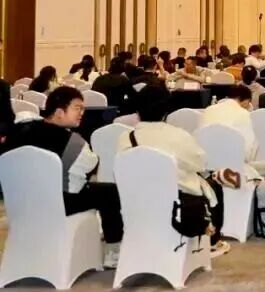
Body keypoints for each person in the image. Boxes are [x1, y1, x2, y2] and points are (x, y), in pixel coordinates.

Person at [0, 87, 124, 267]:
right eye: (77, 108)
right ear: (59, 112)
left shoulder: (19, 130)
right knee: (109, 192)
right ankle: (113, 251)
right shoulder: (73, 142)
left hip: (18, 203)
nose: (82, 113)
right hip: (56, 204)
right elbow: (85, 172)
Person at [116, 85, 235, 257]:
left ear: (138, 111)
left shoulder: (125, 138)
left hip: (137, 203)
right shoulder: (179, 136)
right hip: (177, 205)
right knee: (213, 185)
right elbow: (201, 164)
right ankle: (212, 241)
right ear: (167, 110)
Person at [199, 84, 265, 180]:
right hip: (233, 171)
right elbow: (248, 153)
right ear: (247, 101)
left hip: (205, 169)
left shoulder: (208, 110)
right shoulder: (243, 114)